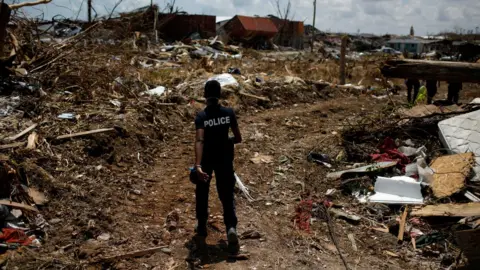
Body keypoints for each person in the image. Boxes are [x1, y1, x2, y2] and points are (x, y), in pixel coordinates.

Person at [194, 80, 243, 254]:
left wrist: (198, 165)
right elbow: (238, 138)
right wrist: (226, 141)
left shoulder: (201, 117)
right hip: (224, 159)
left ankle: (201, 229)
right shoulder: (229, 113)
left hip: (207, 160)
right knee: (226, 195)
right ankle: (231, 229)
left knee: (202, 193)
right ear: (220, 94)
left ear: (205, 95)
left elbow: (200, 140)